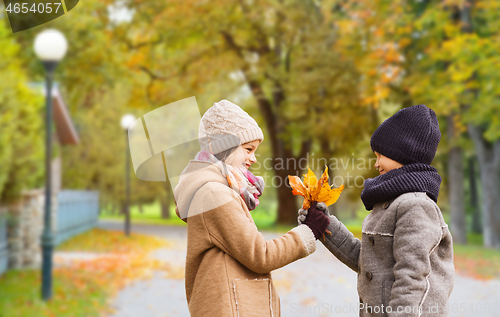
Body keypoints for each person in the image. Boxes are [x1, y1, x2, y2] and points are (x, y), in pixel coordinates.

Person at [174, 100, 330, 317]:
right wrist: (309, 231)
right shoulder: (214, 194)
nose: (253, 158)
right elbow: (260, 255)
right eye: (248, 149)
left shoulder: (217, 190)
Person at [300, 104, 454, 317]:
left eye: (381, 155)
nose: (376, 163)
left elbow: (412, 277)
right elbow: (368, 261)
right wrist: (325, 225)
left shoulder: (416, 206)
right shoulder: (389, 203)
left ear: (403, 153)